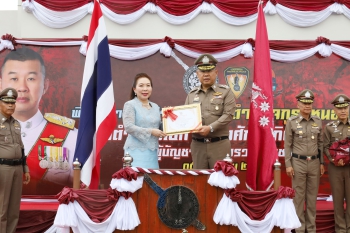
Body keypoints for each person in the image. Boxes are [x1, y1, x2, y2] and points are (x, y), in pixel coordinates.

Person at [0, 47, 77, 194]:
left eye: (31, 79)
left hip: (50, 217)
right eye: (14, 79)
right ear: (1, 85)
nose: (22, 88)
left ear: (45, 85)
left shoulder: (71, 137)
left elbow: (80, 192)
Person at [184, 54, 236, 169]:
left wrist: (210, 128)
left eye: (209, 71)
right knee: (199, 181)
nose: (206, 74)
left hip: (219, 145)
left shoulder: (226, 92)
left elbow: (228, 115)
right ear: (197, 74)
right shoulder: (191, 95)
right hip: (198, 145)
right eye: (202, 71)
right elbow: (185, 117)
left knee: (221, 181)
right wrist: (171, 118)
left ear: (216, 72)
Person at [284, 89, 324, 233]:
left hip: (314, 163)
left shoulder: (318, 121)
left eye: (309, 104)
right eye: (304, 103)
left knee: (312, 197)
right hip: (298, 163)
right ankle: (300, 229)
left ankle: (311, 229)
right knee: (299, 197)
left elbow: (320, 144)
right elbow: (287, 145)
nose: (307, 106)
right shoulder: (292, 121)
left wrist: (321, 163)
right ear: (298, 105)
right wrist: (288, 165)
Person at [0, 87, 30, 233]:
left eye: (13, 103)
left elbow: (21, 147)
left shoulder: (16, 123)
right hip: (2, 169)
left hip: (17, 168)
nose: (11, 105)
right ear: (0, 103)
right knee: (2, 209)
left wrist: (25, 168)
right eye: (7, 102)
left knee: (13, 210)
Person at [123, 73, 166, 168]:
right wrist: (151, 131)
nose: (145, 89)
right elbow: (129, 127)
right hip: (135, 152)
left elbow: (159, 127)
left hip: (152, 153)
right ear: (134, 89)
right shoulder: (130, 105)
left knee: (151, 180)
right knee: (136, 181)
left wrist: (169, 121)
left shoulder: (155, 106)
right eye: (141, 86)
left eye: (148, 85)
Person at [323, 94, 350, 232]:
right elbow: (325, 146)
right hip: (336, 168)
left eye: (345, 107)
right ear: (335, 110)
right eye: (340, 108)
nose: (343, 111)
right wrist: (333, 159)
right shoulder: (329, 127)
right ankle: (340, 229)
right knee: (338, 200)